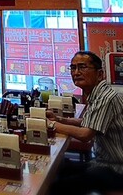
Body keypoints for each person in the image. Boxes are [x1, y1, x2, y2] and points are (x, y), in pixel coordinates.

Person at [47, 50, 123, 194]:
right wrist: (60, 120)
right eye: (73, 68)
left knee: (59, 187)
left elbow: (85, 134)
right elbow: (89, 121)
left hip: (116, 169)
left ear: (100, 74)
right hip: (103, 163)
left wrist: (51, 124)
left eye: (82, 67)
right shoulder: (98, 93)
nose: (76, 72)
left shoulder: (106, 97)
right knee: (61, 168)